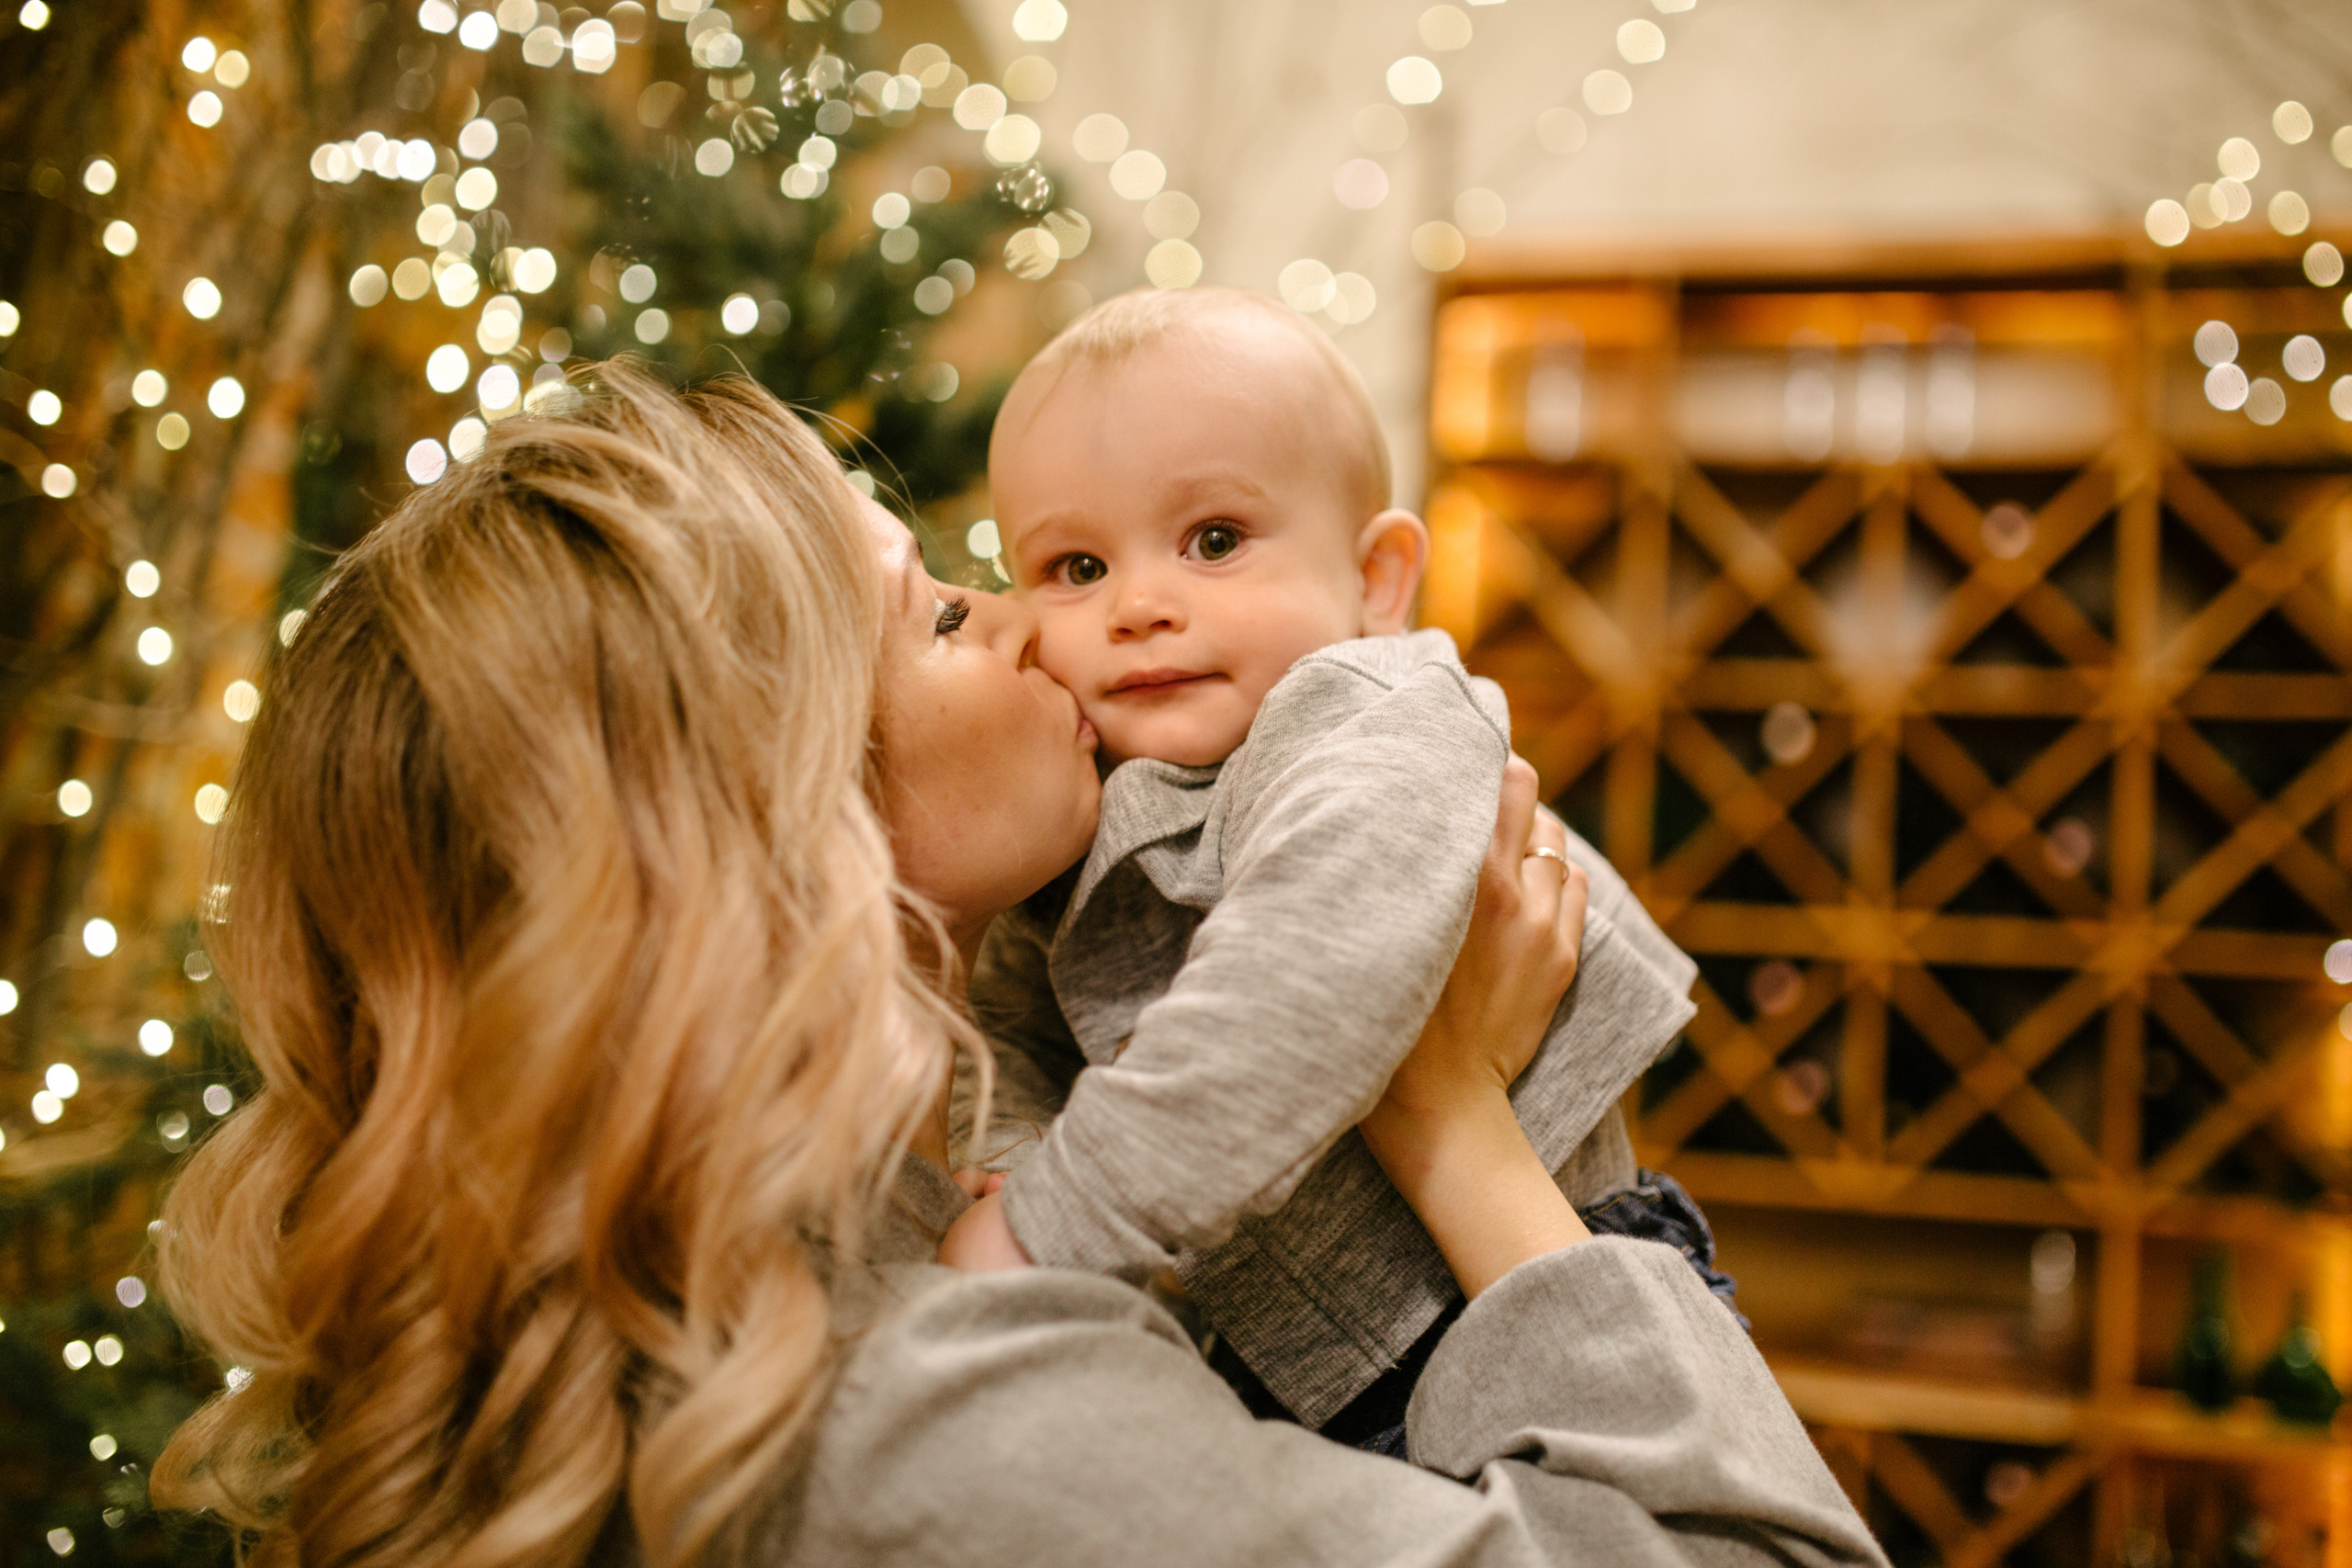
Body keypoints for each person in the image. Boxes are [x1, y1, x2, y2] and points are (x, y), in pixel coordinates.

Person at [153, 366, 1886, 1568]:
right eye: (934, 612)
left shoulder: (820, 1215)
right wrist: (1445, 1111)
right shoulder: (933, 1419)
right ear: (771, 821)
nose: (1035, 618)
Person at [944, 286, 1712, 1435]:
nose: (1140, 606)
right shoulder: (1083, 789)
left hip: (1532, 1272)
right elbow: (1007, 1016)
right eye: (1076, 568)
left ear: (1378, 583)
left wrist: (1050, 1220)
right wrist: (1010, 1156)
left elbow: (1306, 975)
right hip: (1293, 1358)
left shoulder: (1374, 714)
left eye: (1213, 541)